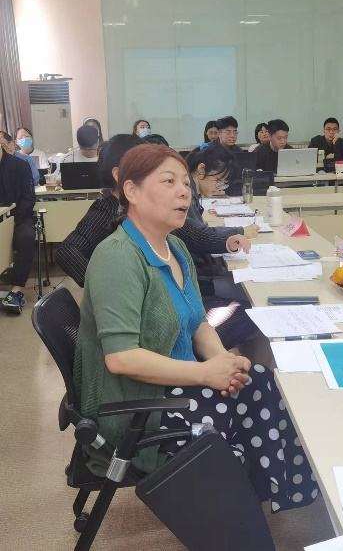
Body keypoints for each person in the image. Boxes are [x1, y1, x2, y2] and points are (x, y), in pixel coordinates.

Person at [73, 143, 318, 513]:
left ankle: (267, 498)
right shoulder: (118, 256)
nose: (183, 192)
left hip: (174, 383)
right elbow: (121, 358)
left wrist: (222, 362)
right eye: (168, 181)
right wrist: (205, 373)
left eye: (186, 183)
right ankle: (242, 510)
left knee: (259, 381)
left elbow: (197, 321)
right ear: (132, 191)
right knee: (245, 403)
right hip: (139, 408)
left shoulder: (173, 247)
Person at [55, 136, 254, 348]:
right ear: (121, 177)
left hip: (161, 316)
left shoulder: (162, 226)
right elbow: (67, 251)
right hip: (144, 332)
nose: (183, 191)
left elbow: (193, 235)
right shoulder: (108, 215)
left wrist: (226, 241)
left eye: (185, 183)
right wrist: (101, 284)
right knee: (248, 315)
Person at [186, 145, 259, 241]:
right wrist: (240, 232)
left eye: (224, 184)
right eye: (219, 181)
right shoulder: (186, 195)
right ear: (201, 169)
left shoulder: (192, 190)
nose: (220, 188)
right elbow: (200, 236)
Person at [0, 145, 36, 314]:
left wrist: (13, 221)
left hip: (18, 218)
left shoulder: (20, 165)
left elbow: (29, 199)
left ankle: (16, 291)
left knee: (26, 236)